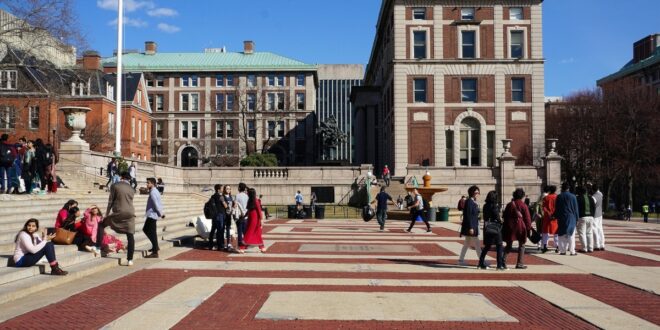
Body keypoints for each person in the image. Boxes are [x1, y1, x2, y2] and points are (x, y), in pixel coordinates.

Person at [104, 172, 136, 266]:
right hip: (130, 213)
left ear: (121, 177)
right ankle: (130, 259)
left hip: (119, 212)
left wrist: (107, 213)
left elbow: (111, 200)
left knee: (102, 224)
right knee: (130, 236)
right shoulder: (132, 189)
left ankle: (97, 245)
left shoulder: (115, 185)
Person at [502, 188, 532, 269]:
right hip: (520, 227)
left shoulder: (509, 204)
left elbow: (504, 216)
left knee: (508, 245)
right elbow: (527, 218)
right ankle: (519, 263)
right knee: (522, 245)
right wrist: (529, 228)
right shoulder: (523, 205)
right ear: (522, 196)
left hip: (510, 227)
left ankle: (503, 261)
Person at [479, 191, 505, 270]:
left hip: (487, 227)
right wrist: (501, 220)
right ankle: (499, 265)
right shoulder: (494, 206)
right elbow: (497, 217)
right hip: (495, 227)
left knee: (487, 246)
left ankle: (480, 262)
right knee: (499, 245)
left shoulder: (485, 205)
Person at [458, 185, 482, 267]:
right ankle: (481, 260)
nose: (477, 193)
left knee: (466, 244)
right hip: (471, 227)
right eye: (475, 192)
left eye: (478, 192)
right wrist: (471, 227)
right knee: (477, 244)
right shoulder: (469, 202)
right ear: (471, 192)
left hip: (473, 225)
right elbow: (468, 215)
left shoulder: (473, 201)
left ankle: (461, 259)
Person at [555, 182, 579, 256]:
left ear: (562, 188)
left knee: (561, 234)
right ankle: (572, 251)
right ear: (568, 188)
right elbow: (576, 209)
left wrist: (555, 216)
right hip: (571, 217)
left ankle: (562, 250)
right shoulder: (573, 196)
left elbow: (557, 208)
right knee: (571, 235)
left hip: (561, 217)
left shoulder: (559, 196)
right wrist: (577, 218)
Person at [240, 188, 266, 253]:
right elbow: (249, 210)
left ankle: (242, 247)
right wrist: (244, 216)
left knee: (250, 232)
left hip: (255, 219)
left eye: (247, 192)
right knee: (255, 233)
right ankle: (262, 247)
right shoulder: (250, 200)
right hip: (251, 218)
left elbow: (259, 210)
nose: (246, 193)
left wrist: (261, 219)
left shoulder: (255, 200)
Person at [144, 177, 164, 258]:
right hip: (152, 214)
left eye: (148, 183)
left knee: (146, 230)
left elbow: (156, 204)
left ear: (152, 183)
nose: (147, 184)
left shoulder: (153, 193)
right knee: (152, 232)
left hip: (152, 215)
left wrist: (161, 213)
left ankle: (155, 251)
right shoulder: (155, 191)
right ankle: (155, 247)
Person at [575, 186, 595, 253]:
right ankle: (590, 248)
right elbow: (594, 207)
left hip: (582, 217)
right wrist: (593, 216)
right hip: (591, 217)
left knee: (582, 233)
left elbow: (576, 208)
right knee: (589, 232)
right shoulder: (591, 198)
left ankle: (584, 248)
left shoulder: (578, 198)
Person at [208, 184, 227, 251]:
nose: (223, 189)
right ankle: (220, 245)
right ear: (218, 189)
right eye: (222, 188)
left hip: (214, 215)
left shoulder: (213, 196)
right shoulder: (220, 196)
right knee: (220, 230)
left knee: (213, 229)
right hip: (220, 214)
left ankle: (210, 244)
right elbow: (225, 206)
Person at [541, 185, 558, 253]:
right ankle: (557, 246)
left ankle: (544, 246)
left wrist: (549, 213)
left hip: (547, 217)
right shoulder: (557, 197)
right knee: (556, 232)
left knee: (545, 232)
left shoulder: (546, 197)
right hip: (555, 217)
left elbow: (544, 207)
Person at [589, 184, 605, 251]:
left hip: (595, 215)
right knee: (600, 229)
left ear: (593, 190)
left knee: (594, 229)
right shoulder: (601, 194)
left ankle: (597, 245)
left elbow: (592, 205)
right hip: (600, 214)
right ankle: (602, 244)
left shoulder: (593, 197)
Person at [235, 183, 249, 248]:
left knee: (239, 231)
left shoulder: (237, 195)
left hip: (240, 215)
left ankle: (240, 244)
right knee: (245, 231)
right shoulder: (247, 196)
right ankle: (246, 243)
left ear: (239, 188)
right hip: (245, 215)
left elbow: (235, 205)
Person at [223, 185, 234, 251]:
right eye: (227, 188)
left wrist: (234, 205)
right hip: (224, 215)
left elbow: (232, 205)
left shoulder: (231, 197)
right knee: (223, 229)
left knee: (228, 229)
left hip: (229, 215)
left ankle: (228, 243)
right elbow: (225, 206)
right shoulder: (222, 197)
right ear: (224, 189)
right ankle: (224, 244)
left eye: (229, 189)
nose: (228, 190)